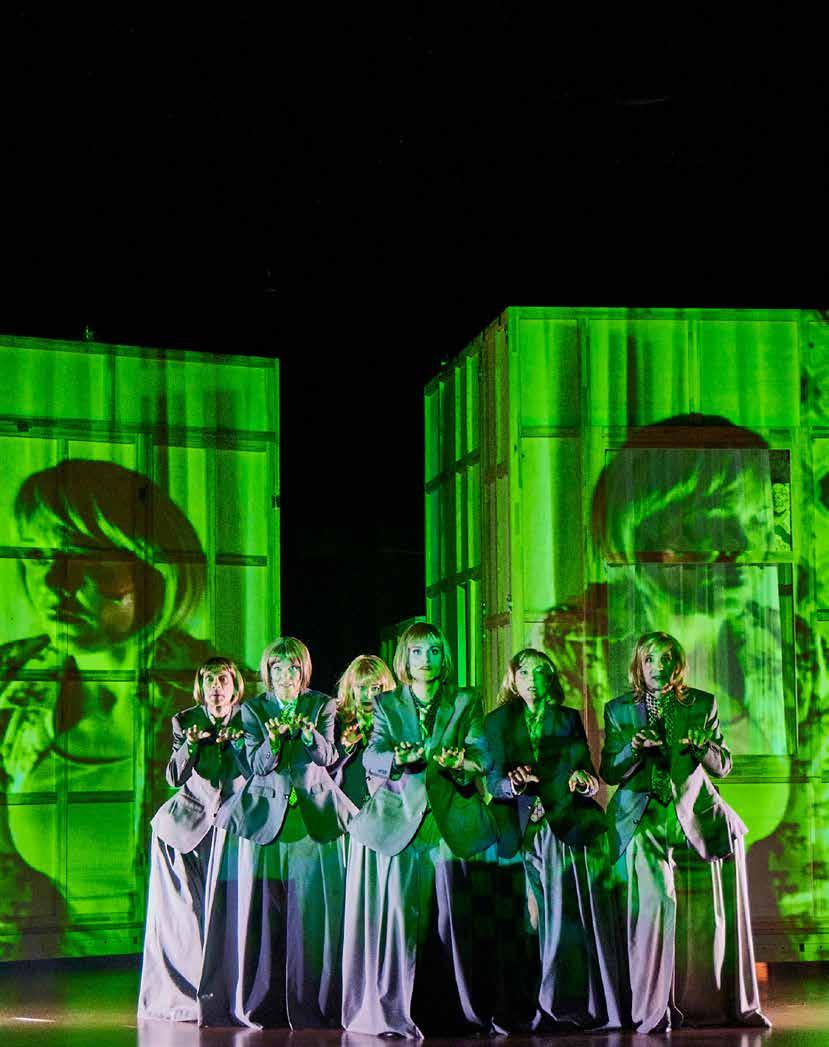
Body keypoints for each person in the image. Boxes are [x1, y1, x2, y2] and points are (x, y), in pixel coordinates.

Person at [0, 459, 212, 955]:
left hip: (198, 975)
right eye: (36, 555)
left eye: (80, 553)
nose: (51, 581)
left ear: (150, 566)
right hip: (59, 983)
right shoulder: (11, 691)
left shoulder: (219, 697)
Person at [600, 630, 770, 1032]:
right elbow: (609, 771)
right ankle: (651, 1008)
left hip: (691, 816)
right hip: (641, 819)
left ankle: (698, 1004)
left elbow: (722, 766)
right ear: (639, 665)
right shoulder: (618, 709)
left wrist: (702, 746)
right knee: (656, 906)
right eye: (650, 660)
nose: (658, 667)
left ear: (678, 665)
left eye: (666, 659)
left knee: (700, 921)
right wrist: (633, 749)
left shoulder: (702, 703)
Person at [343, 622, 497, 1038]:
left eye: (433, 651)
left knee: (452, 921)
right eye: (416, 652)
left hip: (449, 819)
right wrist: (398, 758)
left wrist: (460, 763)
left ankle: (458, 1012)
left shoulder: (465, 699)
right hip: (400, 820)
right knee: (401, 921)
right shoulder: (388, 703)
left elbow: (483, 755)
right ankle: (395, 1012)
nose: (425, 660)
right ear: (405, 659)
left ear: (443, 657)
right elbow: (373, 755)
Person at [198, 636, 349, 1029]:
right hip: (267, 820)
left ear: (303, 671)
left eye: (293, 668)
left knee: (311, 918)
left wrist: (308, 735)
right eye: (278, 669)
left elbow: (328, 757)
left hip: (310, 820)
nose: (286, 676)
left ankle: (313, 1003)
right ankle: (264, 1003)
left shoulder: (322, 705)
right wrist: (275, 739)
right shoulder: (253, 709)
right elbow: (255, 766)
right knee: (267, 914)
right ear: (268, 673)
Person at [485, 648, 621, 1032]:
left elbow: (589, 775)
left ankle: (561, 1001)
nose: (532, 679)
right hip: (516, 829)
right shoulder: (496, 721)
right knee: (524, 922)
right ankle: (524, 1004)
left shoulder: (568, 718)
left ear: (551, 678)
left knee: (561, 920)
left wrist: (584, 782)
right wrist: (512, 784)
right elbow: (492, 781)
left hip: (560, 828)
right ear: (513, 679)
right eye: (524, 672)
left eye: (540, 672)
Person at [137, 657, 247, 1022]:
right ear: (201, 687)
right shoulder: (186, 721)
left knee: (226, 914)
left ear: (234, 686)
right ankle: (182, 997)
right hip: (182, 831)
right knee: (185, 918)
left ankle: (226, 994)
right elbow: (174, 776)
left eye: (223, 680)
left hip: (229, 830)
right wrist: (190, 745)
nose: (217, 687)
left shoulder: (248, 721)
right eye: (210, 680)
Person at [330, 654, 394, 811]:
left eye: (374, 688)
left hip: (383, 808)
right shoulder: (335, 719)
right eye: (361, 687)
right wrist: (345, 747)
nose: (368, 695)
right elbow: (324, 770)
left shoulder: (394, 721)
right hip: (346, 808)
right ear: (351, 688)